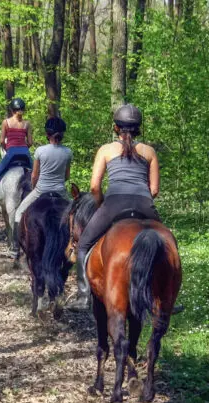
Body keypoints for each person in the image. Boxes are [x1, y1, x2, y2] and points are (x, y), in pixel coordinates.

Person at [70, 103, 160, 309]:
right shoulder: (149, 151)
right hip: (144, 203)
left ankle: (83, 295)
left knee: (83, 244)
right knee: (166, 245)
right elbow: (154, 190)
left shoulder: (106, 150)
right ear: (138, 127)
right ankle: (164, 299)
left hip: (114, 204)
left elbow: (94, 186)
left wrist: (102, 204)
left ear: (116, 128)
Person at [12, 116, 72, 228]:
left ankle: (15, 244)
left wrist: (35, 188)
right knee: (76, 212)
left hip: (41, 190)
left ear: (47, 134)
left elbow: (34, 176)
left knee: (19, 212)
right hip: (60, 191)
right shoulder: (68, 152)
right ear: (62, 135)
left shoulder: (40, 151)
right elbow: (67, 176)